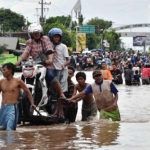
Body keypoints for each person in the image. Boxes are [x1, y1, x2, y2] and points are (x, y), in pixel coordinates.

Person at [15, 23, 65, 99]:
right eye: (34, 33)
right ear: (31, 34)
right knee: (24, 75)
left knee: (50, 75)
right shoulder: (29, 42)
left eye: (38, 33)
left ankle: (61, 93)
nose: (37, 35)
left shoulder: (45, 39)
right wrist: (18, 62)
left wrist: (50, 59)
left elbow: (49, 49)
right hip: (35, 64)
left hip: (46, 64)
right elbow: (26, 52)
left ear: (41, 32)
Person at [0, 63, 36, 130]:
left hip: (12, 108)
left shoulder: (18, 81)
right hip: (3, 108)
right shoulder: (1, 82)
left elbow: (28, 92)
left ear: (10, 70)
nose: (3, 72)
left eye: (4, 70)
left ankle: (12, 140)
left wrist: (32, 104)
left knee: (9, 129)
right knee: (2, 130)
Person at [48, 28, 70, 119]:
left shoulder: (63, 46)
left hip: (62, 70)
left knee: (61, 92)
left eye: (58, 37)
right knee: (52, 91)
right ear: (51, 38)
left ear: (60, 38)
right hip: (52, 70)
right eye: (54, 37)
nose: (56, 38)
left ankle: (60, 112)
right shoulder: (49, 46)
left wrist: (64, 65)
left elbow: (68, 60)